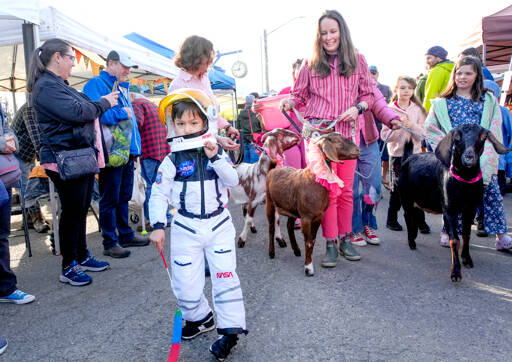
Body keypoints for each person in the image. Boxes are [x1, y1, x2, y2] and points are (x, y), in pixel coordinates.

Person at [282, 10, 386, 267]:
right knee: (327, 192)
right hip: (318, 137)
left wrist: (358, 108)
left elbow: (368, 95)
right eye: (324, 32)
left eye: (333, 31)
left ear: (342, 32)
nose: (328, 37)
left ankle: (346, 238)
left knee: (348, 191)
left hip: (347, 136)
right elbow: (300, 95)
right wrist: (289, 100)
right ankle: (330, 243)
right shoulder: (310, 62)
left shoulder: (358, 60)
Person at [150, 89, 247, 360]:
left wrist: (216, 157)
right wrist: (157, 225)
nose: (187, 128)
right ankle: (201, 318)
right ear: (172, 125)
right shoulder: (171, 160)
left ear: (206, 122)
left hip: (218, 225)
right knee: (184, 285)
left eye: (194, 123)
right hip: (185, 228)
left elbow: (233, 181)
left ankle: (229, 333)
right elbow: (158, 193)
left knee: (225, 279)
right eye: (181, 124)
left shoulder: (215, 152)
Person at [28, 38, 117, 285]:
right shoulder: (46, 86)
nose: (73, 63)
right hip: (64, 157)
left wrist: (95, 105)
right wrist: (104, 103)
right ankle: (68, 266)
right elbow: (79, 113)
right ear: (57, 57)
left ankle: (81, 255)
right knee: (72, 212)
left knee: (79, 210)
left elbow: (84, 107)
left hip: (77, 155)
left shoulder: (59, 84)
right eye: (71, 58)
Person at [425, 56, 512, 250]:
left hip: (480, 156)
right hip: (456, 158)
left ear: (477, 75)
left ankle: (501, 235)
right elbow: (430, 128)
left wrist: (488, 155)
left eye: (468, 73)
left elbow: (494, 128)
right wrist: (448, 149)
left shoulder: (488, 99)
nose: (462, 77)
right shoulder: (442, 102)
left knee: (491, 192)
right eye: (459, 72)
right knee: (452, 196)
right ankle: (448, 231)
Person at [84, 50, 150, 259]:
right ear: (111, 63)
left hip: (125, 151)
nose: (128, 70)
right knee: (110, 198)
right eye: (124, 66)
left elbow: (128, 123)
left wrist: (135, 150)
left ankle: (124, 234)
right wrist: (124, 112)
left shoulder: (120, 87)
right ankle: (110, 241)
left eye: (129, 67)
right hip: (112, 151)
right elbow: (97, 112)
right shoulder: (96, 84)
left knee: (122, 196)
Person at [351, 78, 403, 246]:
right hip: (344, 142)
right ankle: (353, 229)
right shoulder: (334, 80)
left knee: (374, 188)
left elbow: (380, 104)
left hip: (368, 140)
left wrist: (391, 118)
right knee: (350, 191)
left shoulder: (367, 82)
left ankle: (368, 224)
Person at [168, 35, 240, 151]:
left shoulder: (204, 79)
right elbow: (188, 126)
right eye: (206, 63)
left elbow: (210, 112)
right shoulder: (178, 86)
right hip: (192, 149)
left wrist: (226, 127)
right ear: (195, 59)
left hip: (209, 144)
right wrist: (217, 139)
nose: (208, 67)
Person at [381, 76, 430, 234]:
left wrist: (412, 126)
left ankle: (420, 221)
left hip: (415, 156)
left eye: (409, 88)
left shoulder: (418, 109)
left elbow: (423, 134)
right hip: (397, 155)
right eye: (402, 88)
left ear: (413, 90)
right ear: (396, 90)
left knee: (418, 189)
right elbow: (385, 135)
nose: (406, 91)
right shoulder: (388, 110)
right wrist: (397, 128)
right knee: (397, 189)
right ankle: (391, 219)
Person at [0, 105, 35, 301]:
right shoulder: (30, 109)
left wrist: (9, 139)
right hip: (10, 163)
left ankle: (6, 288)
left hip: (4, 172)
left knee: (2, 233)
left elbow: (6, 127)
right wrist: (2, 142)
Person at [130, 87, 170, 231]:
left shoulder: (136, 104)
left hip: (148, 151)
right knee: (160, 185)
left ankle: (153, 220)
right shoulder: (152, 104)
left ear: (132, 95)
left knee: (149, 187)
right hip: (161, 150)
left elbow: (136, 124)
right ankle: (166, 216)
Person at [10, 103, 50, 233]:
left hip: (28, 153)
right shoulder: (30, 108)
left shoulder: (40, 107)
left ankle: (27, 220)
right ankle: (37, 219)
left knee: (27, 185)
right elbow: (35, 136)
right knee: (27, 187)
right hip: (19, 153)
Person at [278, 59, 307, 171]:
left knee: (309, 173)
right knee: (293, 173)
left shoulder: (313, 92)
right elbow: (269, 107)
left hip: (308, 138)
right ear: (293, 73)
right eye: (298, 71)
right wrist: (256, 109)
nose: (301, 75)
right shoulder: (284, 92)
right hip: (289, 139)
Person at [369, 65, 393, 190]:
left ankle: (384, 177)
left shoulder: (386, 88)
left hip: (383, 126)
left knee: (385, 155)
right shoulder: (364, 88)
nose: (371, 75)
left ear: (378, 74)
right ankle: (374, 179)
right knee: (373, 156)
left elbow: (387, 106)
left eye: (374, 73)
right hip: (369, 128)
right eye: (369, 72)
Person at [423, 46, 455, 113]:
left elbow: (431, 95)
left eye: (429, 58)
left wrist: (425, 114)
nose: (427, 61)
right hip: (453, 110)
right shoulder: (454, 68)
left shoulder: (436, 70)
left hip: (439, 111)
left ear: (439, 57)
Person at [238, 93, 264, 163]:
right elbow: (262, 127)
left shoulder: (240, 114)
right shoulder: (257, 113)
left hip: (243, 141)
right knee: (254, 165)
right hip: (254, 141)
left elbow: (238, 128)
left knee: (246, 165)